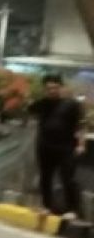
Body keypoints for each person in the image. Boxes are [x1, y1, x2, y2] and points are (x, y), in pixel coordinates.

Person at [28, 74, 85, 218]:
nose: (52, 91)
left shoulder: (71, 104)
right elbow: (29, 110)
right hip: (45, 146)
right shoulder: (42, 104)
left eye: (55, 88)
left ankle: (72, 210)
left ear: (61, 88)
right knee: (45, 177)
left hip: (66, 147)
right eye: (48, 88)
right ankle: (47, 206)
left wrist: (81, 144)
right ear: (44, 90)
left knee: (68, 177)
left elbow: (80, 126)